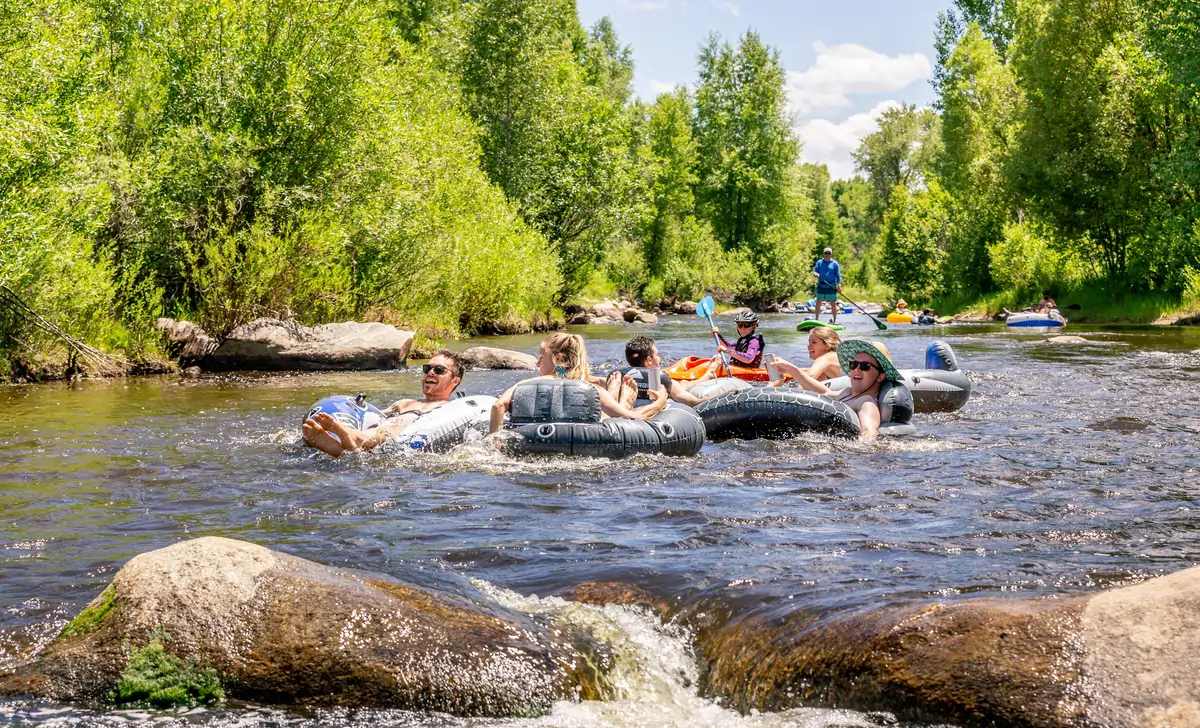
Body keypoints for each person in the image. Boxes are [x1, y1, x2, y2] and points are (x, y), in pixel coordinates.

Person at [488, 332, 666, 434]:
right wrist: (659, 403)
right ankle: (621, 398)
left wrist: (496, 444)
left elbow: (497, 406)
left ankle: (617, 394)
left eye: (541, 359)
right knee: (612, 414)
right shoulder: (589, 390)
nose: (537, 364)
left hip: (534, 441)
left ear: (557, 358)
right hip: (581, 437)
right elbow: (632, 419)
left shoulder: (524, 384)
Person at [302, 349, 464, 457]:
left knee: (382, 436)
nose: (430, 372)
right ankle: (343, 438)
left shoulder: (451, 409)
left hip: (396, 439)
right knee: (374, 432)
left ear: (455, 380)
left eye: (439, 370)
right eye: (427, 368)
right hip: (377, 433)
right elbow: (374, 415)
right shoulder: (405, 403)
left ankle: (343, 435)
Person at [786, 339, 903, 440]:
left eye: (865, 366)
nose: (857, 369)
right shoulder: (847, 392)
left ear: (881, 376)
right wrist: (792, 370)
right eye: (853, 364)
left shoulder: (867, 402)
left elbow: (869, 431)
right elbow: (824, 392)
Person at [622, 335, 719, 406]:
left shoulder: (619, 377)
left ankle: (708, 375)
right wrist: (730, 394)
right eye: (657, 355)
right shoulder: (662, 380)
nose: (659, 358)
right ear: (649, 360)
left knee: (682, 384)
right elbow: (694, 402)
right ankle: (709, 373)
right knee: (679, 385)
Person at [768, 327, 842, 385]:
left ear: (827, 345)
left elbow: (810, 377)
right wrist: (785, 370)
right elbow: (811, 372)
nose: (808, 346)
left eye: (814, 342)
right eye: (809, 342)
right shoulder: (834, 357)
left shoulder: (826, 358)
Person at [812, 247, 842, 324]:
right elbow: (815, 272)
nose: (827, 255)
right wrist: (816, 274)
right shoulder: (819, 262)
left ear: (831, 254)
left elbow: (838, 275)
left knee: (833, 303)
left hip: (831, 286)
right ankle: (816, 320)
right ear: (823, 254)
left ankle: (835, 321)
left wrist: (839, 284)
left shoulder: (835, 264)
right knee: (818, 302)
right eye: (826, 253)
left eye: (829, 253)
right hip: (821, 285)